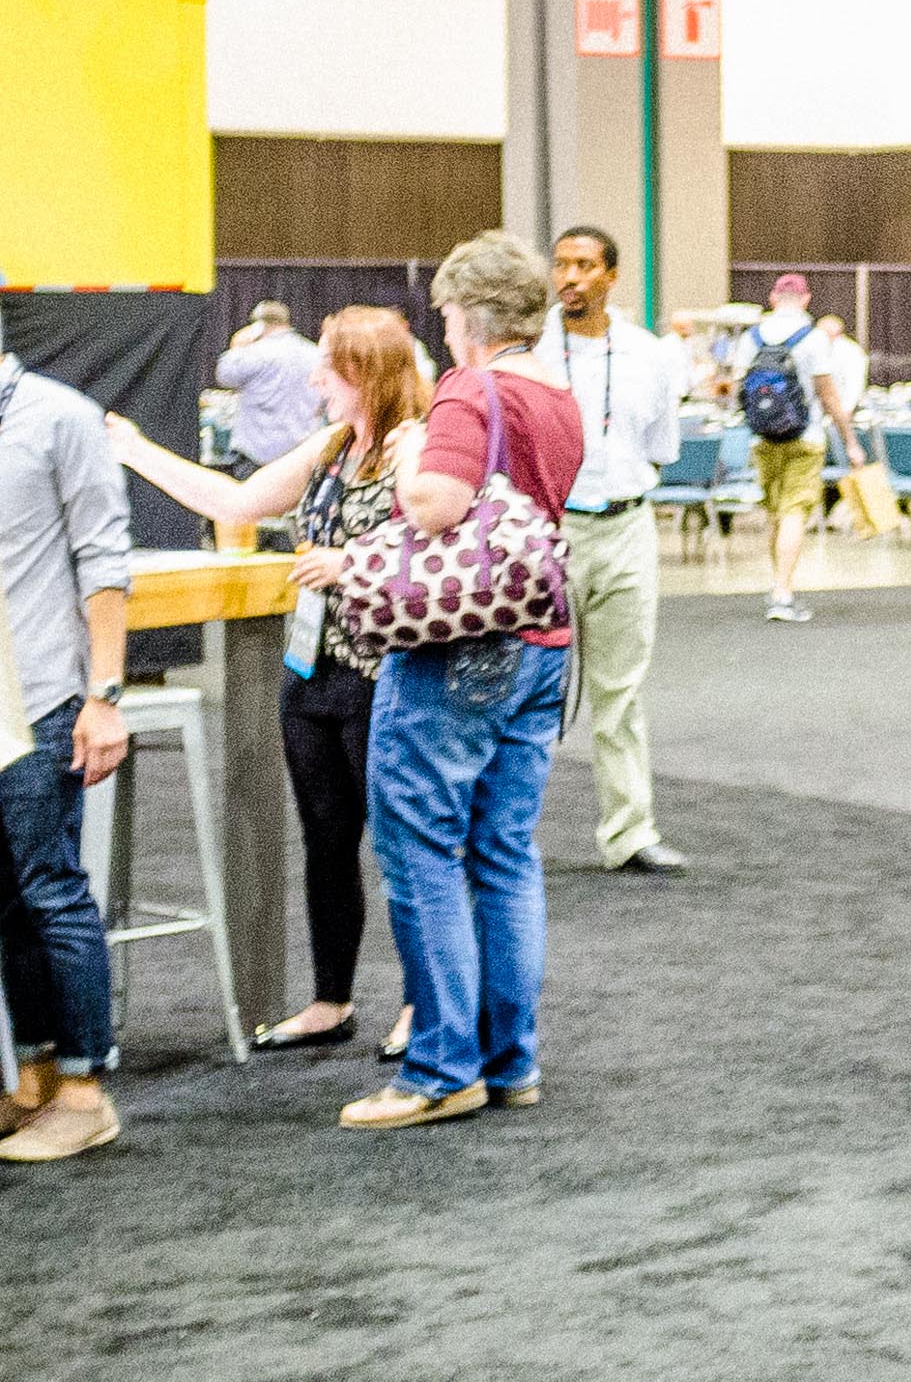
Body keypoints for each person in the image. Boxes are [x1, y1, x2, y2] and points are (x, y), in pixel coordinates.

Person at [109, 307, 427, 1055]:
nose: (314, 377)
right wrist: (137, 451)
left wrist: (354, 565)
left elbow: (430, 542)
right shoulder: (331, 447)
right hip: (312, 670)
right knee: (325, 839)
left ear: (366, 375)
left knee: (406, 847)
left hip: (384, 674)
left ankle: (426, 1004)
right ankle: (330, 1001)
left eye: (328, 366)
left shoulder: (416, 448)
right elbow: (235, 502)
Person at [339, 230, 583, 1131]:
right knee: (505, 855)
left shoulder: (466, 390)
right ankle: (508, 1059)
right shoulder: (556, 394)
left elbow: (435, 505)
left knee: (422, 855)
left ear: (468, 316)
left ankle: (441, 1069)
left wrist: (409, 460)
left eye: (444, 313)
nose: (441, 330)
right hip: (541, 641)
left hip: (455, 647)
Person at [0, 324, 130, 1161]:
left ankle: (87, 1089)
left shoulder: (58, 418)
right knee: (9, 898)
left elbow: (103, 559)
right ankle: (38, 1078)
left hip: (46, 698)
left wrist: (103, 697)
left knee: (53, 891)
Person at [536, 226, 688, 875]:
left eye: (584, 266)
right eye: (561, 265)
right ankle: (497, 835)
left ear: (611, 277)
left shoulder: (650, 355)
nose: (569, 277)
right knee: (526, 686)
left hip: (626, 528)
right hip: (549, 531)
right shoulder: (532, 350)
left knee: (619, 691)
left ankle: (629, 834)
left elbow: (661, 448)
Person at [728, 274, 864, 623]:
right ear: (806, 300)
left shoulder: (751, 336)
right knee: (795, 512)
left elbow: (736, 389)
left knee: (776, 511)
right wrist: (849, 440)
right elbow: (828, 395)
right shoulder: (814, 339)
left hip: (762, 438)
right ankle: (783, 593)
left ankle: (778, 582)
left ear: (773, 297)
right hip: (805, 438)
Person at [214, 301, 323, 474]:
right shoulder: (314, 353)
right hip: (301, 456)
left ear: (257, 326)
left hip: (257, 458)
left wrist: (236, 348)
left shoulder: (253, 353)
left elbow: (224, 376)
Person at [816, 315, 870, 420]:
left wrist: (846, 410)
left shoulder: (852, 352)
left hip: (841, 409)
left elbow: (854, 384)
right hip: (820, 411)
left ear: (836, 333)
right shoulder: (817, 348)